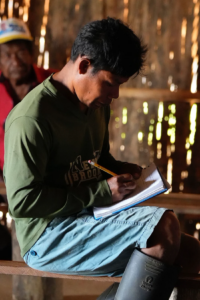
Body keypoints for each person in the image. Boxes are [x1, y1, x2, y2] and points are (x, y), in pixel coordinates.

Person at [3, 17, 200, 300]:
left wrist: (123, 171)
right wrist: (101, 192)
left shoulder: (94, 106)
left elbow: (96, 161)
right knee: (163, 228)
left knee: (191, 252)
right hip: (47, 236)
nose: (115, 95)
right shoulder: (31, 118)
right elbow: (21, 202)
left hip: (88, 217)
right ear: (83, 65)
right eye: (111, 83)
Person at [0, 18, 56, 179]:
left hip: (49, 177)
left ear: (31, 53)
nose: (16, 62)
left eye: (21, 52)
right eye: (7, 55)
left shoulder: (54, 82)